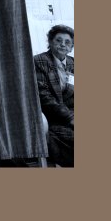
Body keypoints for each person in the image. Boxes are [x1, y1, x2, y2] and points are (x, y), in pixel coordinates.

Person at [33, 24, 74, 167]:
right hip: (54, 117)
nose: (63, 44)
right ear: (50, 42)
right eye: (58, 40)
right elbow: (44, 97)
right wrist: (70, 117)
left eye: (67, 42)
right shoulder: (39, 62)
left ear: (72, 46)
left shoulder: (73, 62)